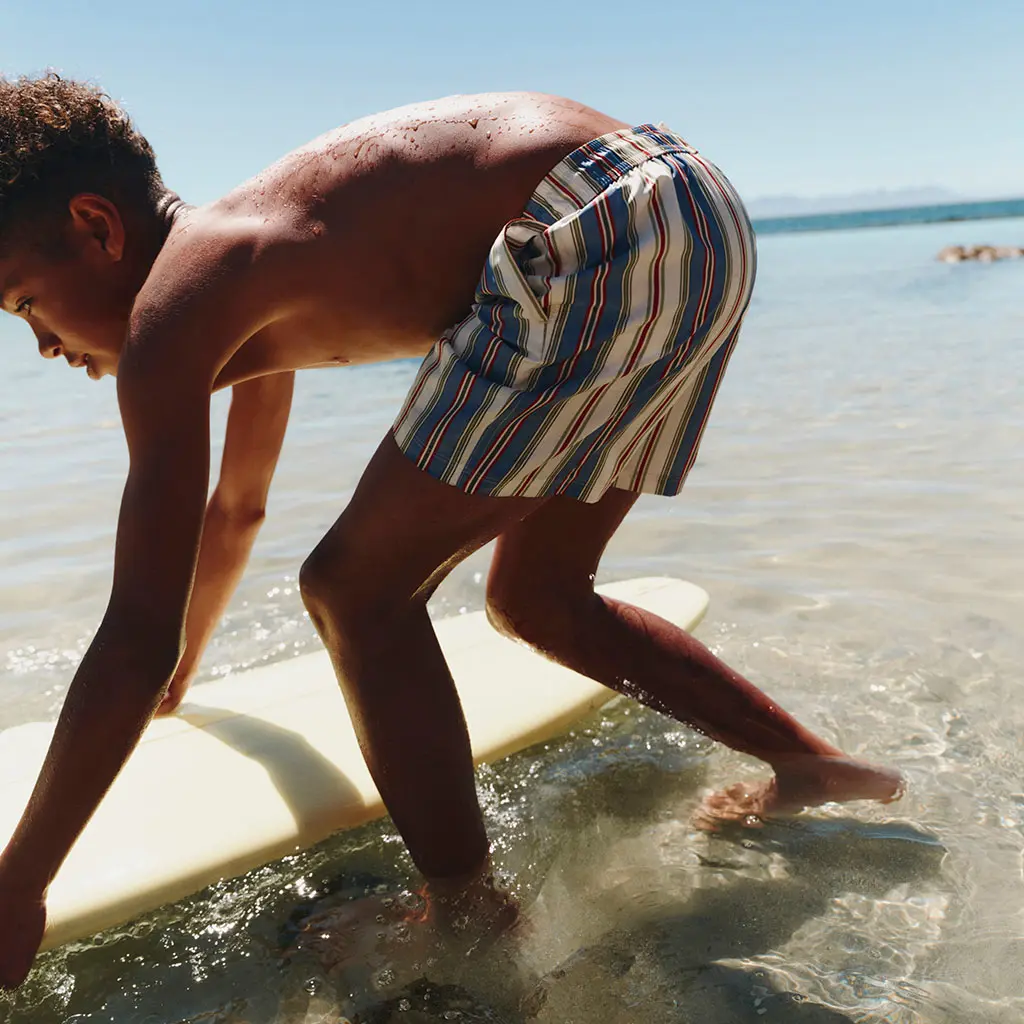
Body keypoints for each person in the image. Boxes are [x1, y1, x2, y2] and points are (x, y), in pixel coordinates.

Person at [0, 74, 903, 988]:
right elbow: (235, 508)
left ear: (97, 227)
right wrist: (187, 664)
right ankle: (813, 768)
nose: (39, 344)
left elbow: (130, 632)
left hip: (595, 227)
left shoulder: (178, 311)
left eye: (23, 301)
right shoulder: (235, 279)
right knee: (538, 599)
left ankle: (466, 916)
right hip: (687, 216)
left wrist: (20, 883)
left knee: (355, 590)